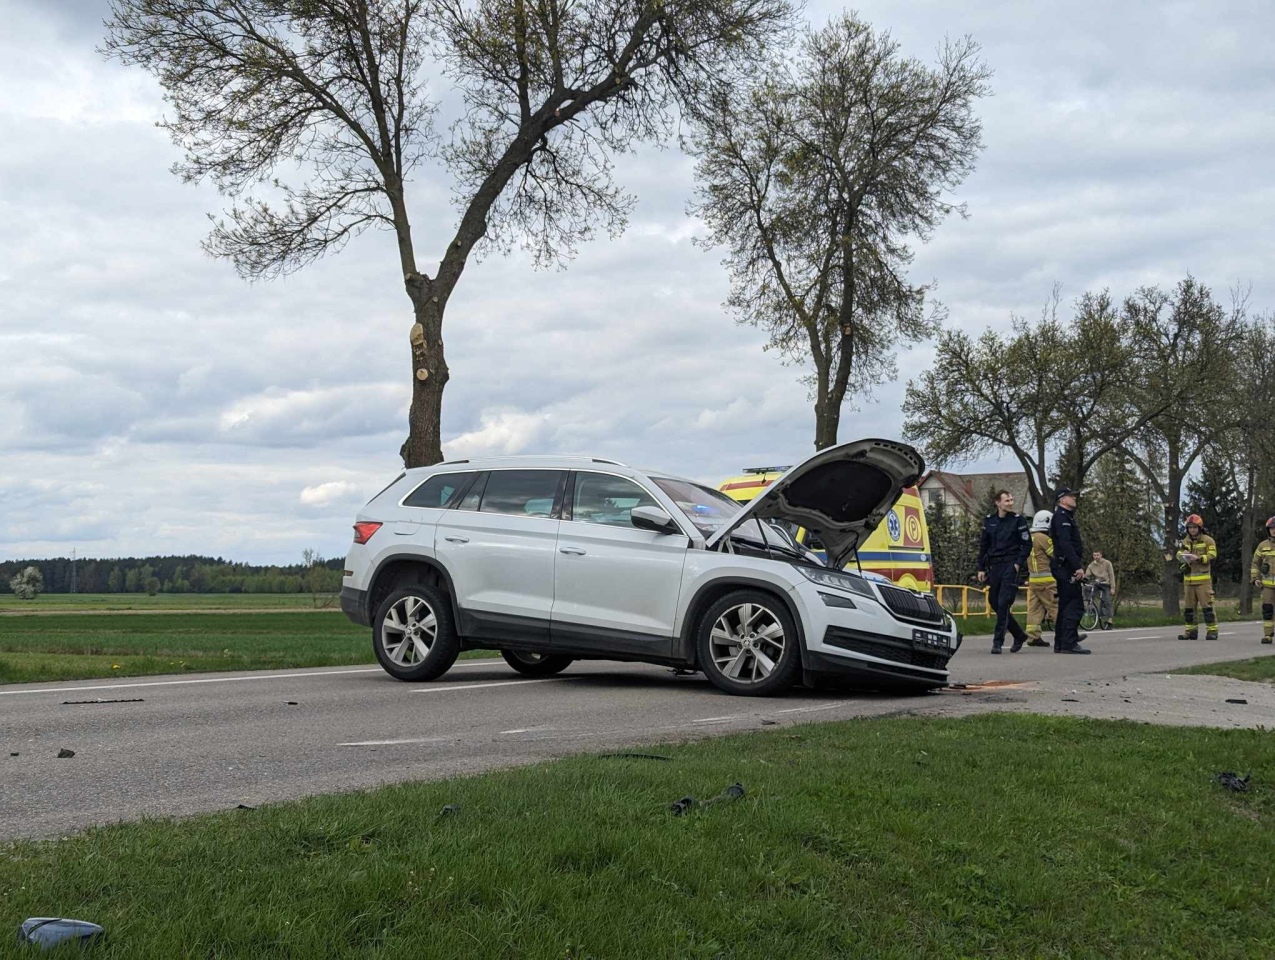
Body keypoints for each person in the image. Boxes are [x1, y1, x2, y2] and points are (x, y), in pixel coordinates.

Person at [977, 489, 1031, 654]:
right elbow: (984, 546)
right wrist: (981, 567)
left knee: (1003, 602)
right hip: (995, 566)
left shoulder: (1017, 520)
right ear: (998, 503)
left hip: (1010, 564)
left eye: (1011, 500)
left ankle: (997, 642)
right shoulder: (990, 521)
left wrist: (1017, 563)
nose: (1010, 503)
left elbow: (1027, 544)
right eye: (1007, 500)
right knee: (994, 601)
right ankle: (1019, 634)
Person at [1049, 487, 1090, 654]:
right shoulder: (1062, 518)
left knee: (1065, 605)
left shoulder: (1066, 517)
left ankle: (1061, 642)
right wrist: (1077, 566)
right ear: (1062, 500)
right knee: (1075, 605)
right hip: (1065, 567)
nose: (1074, 498)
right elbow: (1066, 544)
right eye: (1070, 496)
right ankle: (1069, 642)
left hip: (1063, 566)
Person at [1176, 513, 1218, 640]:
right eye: (1189, 527)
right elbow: (1178, 555)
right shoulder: (1184, 541)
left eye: (1194, 527)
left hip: (1203, 581)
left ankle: (1212, 631)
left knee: (1207, 607)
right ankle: (1190, 631)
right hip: (1188, 581)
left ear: (1200, 528)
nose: (1192, 530)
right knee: (1189, 609)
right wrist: (1183, 557)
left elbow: (1212, 554)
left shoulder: (1207, 540)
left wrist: (1199, 558)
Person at [1024, 510, 1056, 648]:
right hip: (1047, 579)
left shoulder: (1028, 537)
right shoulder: (1043, 538)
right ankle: (1066, 633)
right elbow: (1055, 554)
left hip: (1033, 579)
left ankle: (1033, 636)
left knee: (1034, 608)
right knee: (1055, 605)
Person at [1250, 516, 1275, 644]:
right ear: (1268, 530)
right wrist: (1255, 578)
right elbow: (1255, 563)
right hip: (1267, 585)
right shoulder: (1262, 546)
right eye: (1272, 528)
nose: (1274, 530)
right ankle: (1268, 635)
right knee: (1267, 609)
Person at [1086, 550, 1116, 630]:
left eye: (1097, 555)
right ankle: (1091, 607)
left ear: (1101, 555)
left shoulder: (1107, 563)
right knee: (1088, 590)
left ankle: (1110, 620)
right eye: (1094, 555)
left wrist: (1113, 588)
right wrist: (1084, 578)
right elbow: (1087, 574)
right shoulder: (1091, 565)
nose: (1096, 557)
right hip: (1097, 583)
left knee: (1107, 601)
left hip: (1106, 584)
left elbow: (1111, 575)